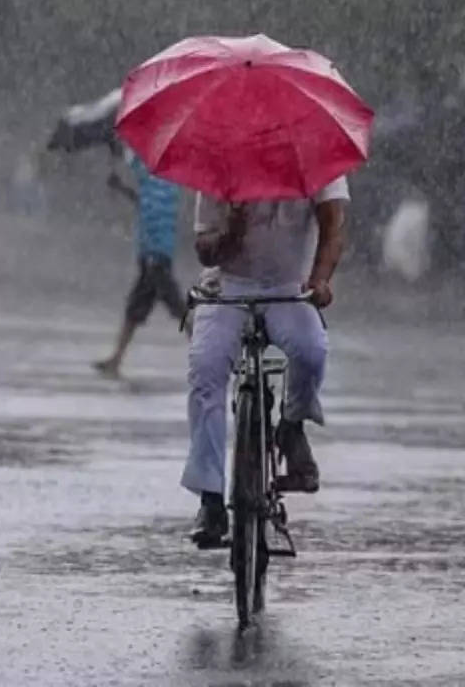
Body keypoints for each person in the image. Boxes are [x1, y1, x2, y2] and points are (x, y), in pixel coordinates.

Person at [185, 178, 349, 545]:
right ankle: (210, 499)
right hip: (227, 287)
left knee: (312, 351)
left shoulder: (315, 158)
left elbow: (333, 225)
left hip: (288, 289)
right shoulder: (221, 165)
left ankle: (291, 426)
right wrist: (231, 232)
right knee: (205, 371)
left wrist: (320, 280)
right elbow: (204, 250)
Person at [93, 147, 187, 378]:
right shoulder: (165, 184)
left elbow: (136, 167)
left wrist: (119, 152)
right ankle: (116, 358)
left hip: (154, 257)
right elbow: (143, 203)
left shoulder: (155, 180)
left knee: (178, 309)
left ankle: (212, 356)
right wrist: (122, 188)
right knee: (136, 310)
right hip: (153, 256)